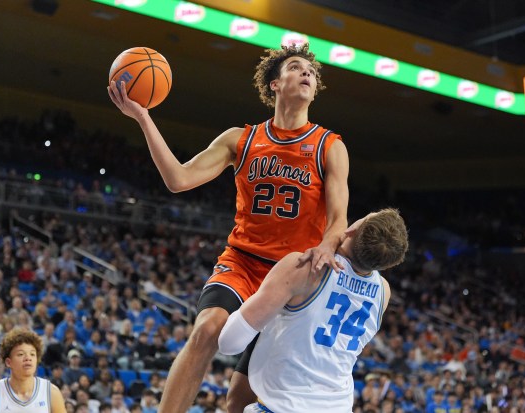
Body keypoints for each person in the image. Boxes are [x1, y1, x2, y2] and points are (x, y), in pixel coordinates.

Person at [108, 42, 349, 413]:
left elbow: (338, 220)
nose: (307, 74)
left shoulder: (328, 145)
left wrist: (327, 245)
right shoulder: (242, 138)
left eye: (312, 74)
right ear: (274, 83)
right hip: (243, 260)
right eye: (297, 68)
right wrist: (143, 117)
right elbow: (179, 179)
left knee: (240, 398)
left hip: (292, 275)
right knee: (207, 329)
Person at [218, 208, 409, 413]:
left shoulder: (306, 269)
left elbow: (229, 343)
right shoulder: (383, 292)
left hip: (283, 407)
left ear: (353, 228)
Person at [0, 328, 67, 413]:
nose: (28, 358)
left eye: (32, 354)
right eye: (21, 354)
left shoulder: (51, 392)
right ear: (8, 362)